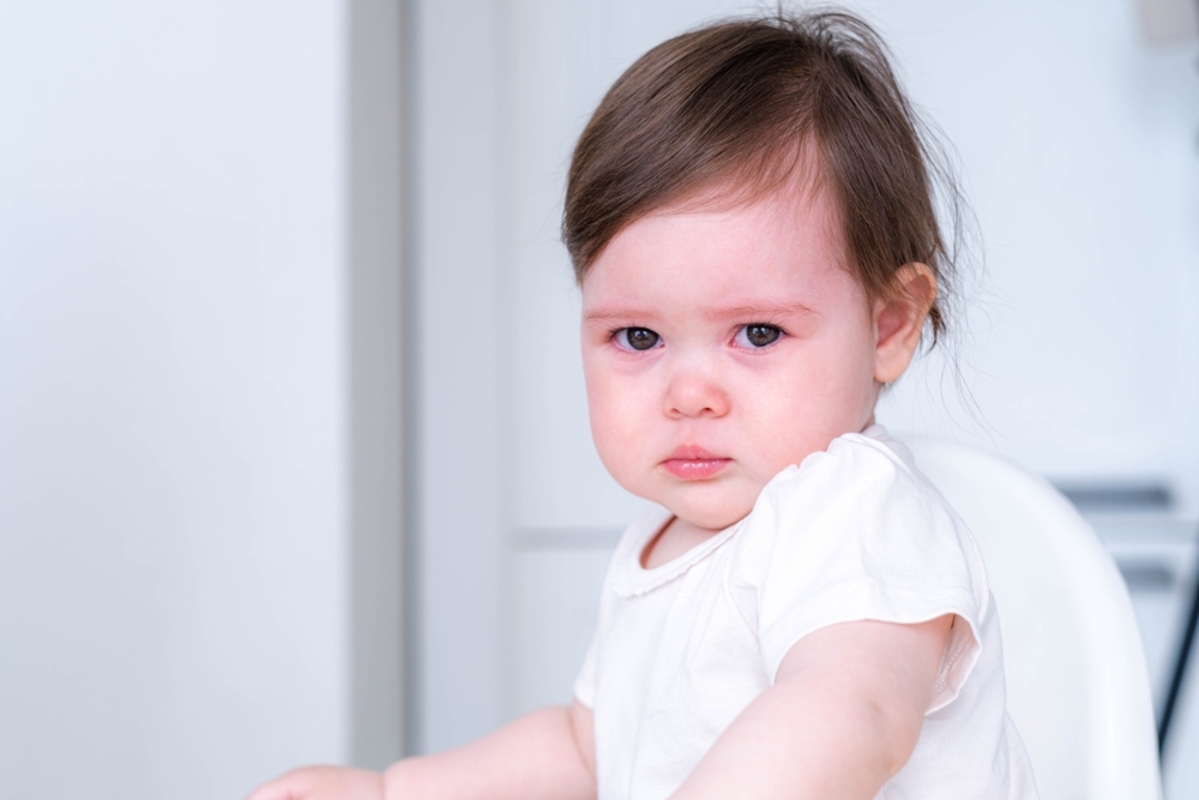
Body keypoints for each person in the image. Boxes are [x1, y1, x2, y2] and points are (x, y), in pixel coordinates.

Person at [248, 9, 1038, 800]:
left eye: (756, 332)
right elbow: (586, 750)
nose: (688, 394)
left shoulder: (851, 507)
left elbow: (847, 711)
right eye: (637, 338)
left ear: (888, 323)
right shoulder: (665, 544)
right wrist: (392, 790)